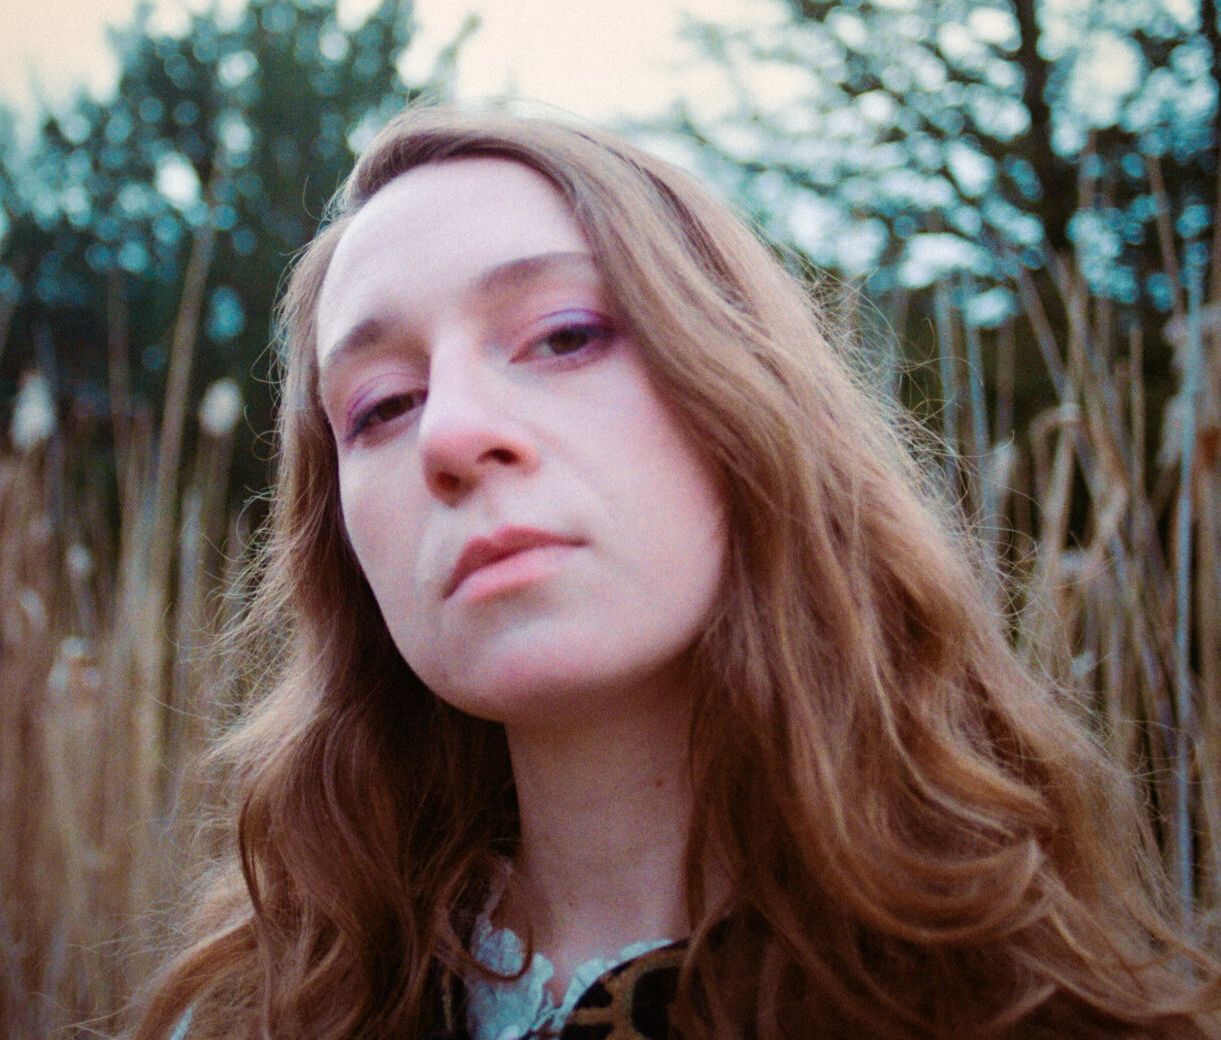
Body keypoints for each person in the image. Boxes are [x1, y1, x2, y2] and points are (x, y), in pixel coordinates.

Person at [134, 106, 1220, 1040]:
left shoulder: (1028, 1007)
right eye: (379, 404)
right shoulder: (260, 1012)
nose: (450, 434)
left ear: (744, 403)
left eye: (562, 335)